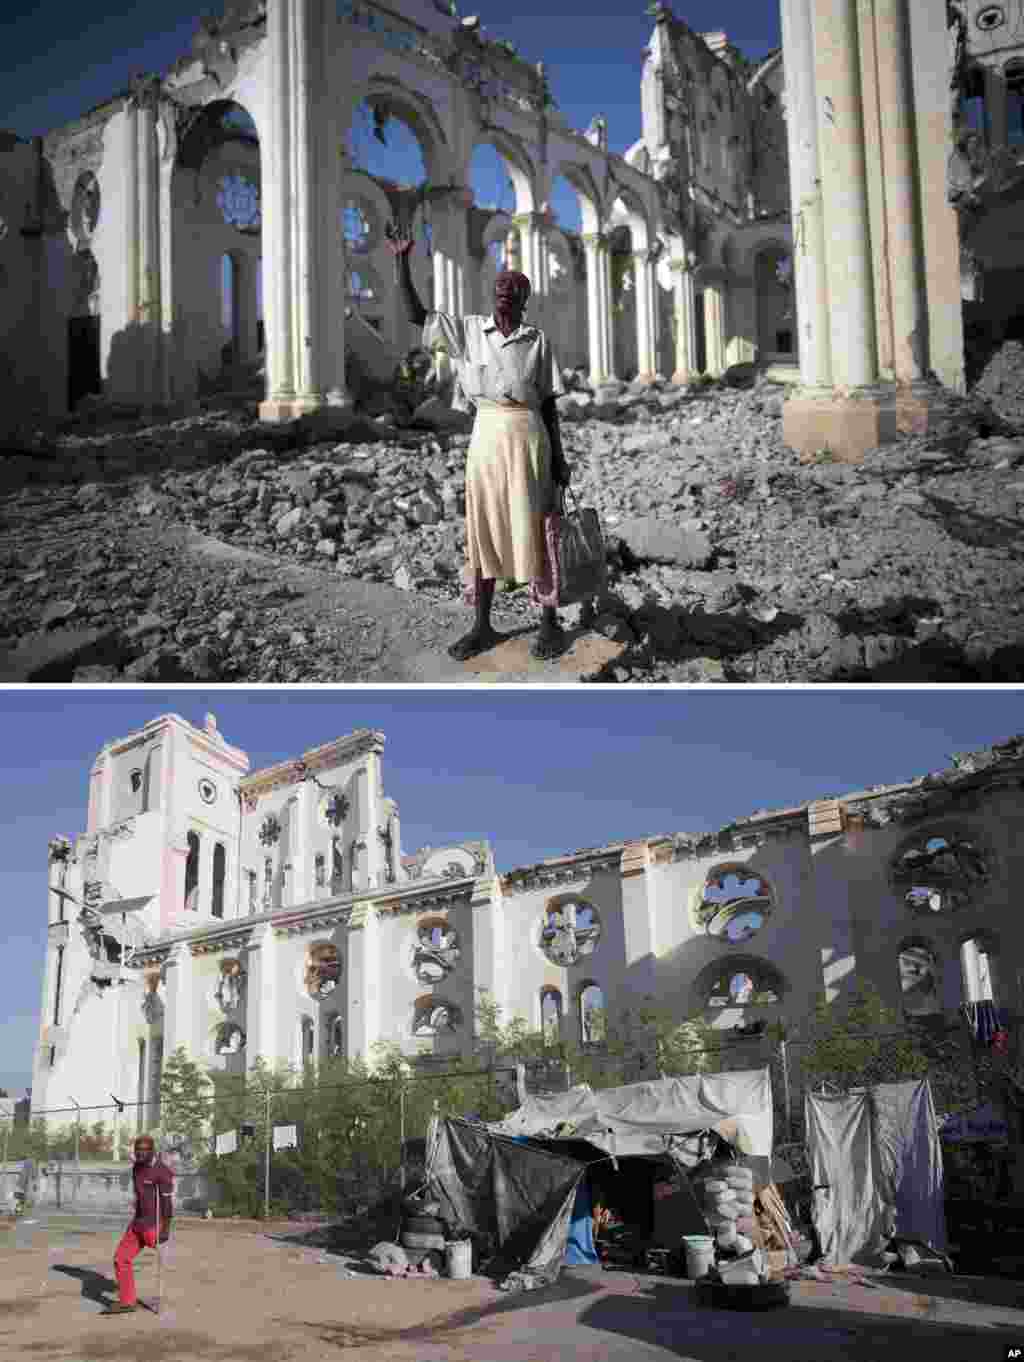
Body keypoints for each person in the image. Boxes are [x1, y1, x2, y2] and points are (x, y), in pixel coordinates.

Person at [386, 222, 573, 660]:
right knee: (484, 526)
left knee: (539, 527)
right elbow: (417, 315)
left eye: (514, 286)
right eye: (500, 284)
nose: (505, 290)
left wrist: (560, 458)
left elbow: (547, 404)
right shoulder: (469, 332)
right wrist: (400, 261)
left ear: (525, 299)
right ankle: (483, 626)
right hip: (487, 436)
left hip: (530, 437)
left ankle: (549, 622)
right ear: (493, 295)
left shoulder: (537, 341)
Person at [104, 1134, 173, 1315]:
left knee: (161, 1252)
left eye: (145, 1150)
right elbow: (140, 1193)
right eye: (138, 1150)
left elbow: (166, 1203)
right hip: (137, 1223)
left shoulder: (162, 1172)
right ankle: (127, 1302)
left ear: (152, 1151)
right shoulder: (136, 1168)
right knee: (121, 1259)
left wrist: (166, 1228)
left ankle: (164, 1250)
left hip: (153, 1224)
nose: (141, 1153)